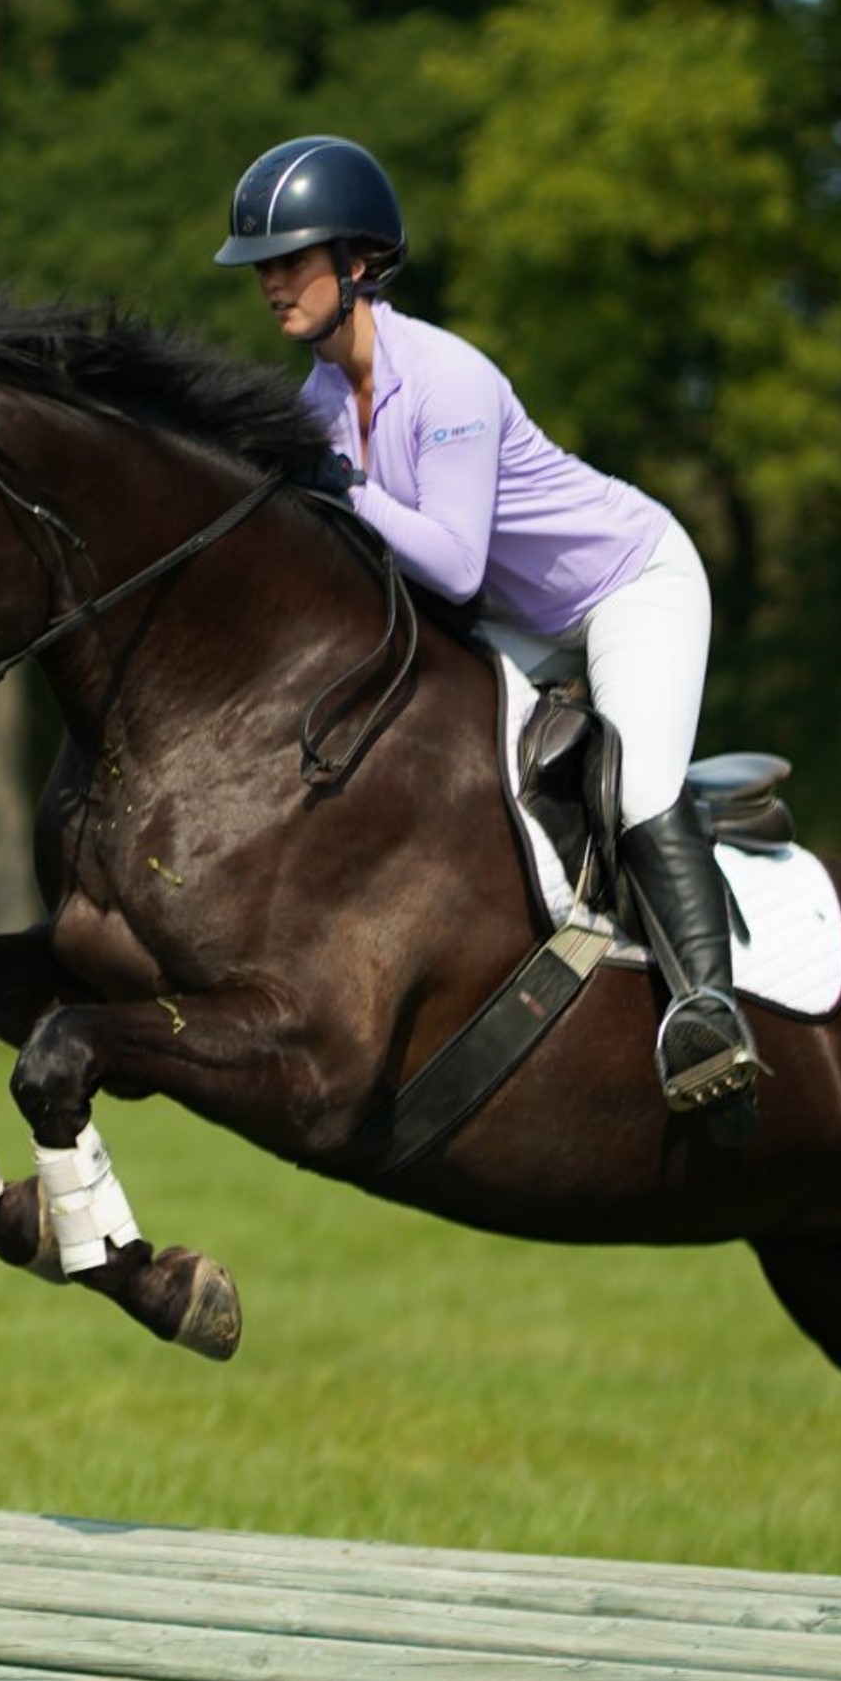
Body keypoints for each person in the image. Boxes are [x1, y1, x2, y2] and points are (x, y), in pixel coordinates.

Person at [214, 133, 761, 1121]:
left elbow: (455, 563)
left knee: (634, 782)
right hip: (514, 618)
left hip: (626, 587)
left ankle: (708, 1012)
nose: (271, 284)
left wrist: (338, 487)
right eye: (263, 267)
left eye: (290, 260)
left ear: (359, 262)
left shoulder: (449, 378)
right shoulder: (322, 400)